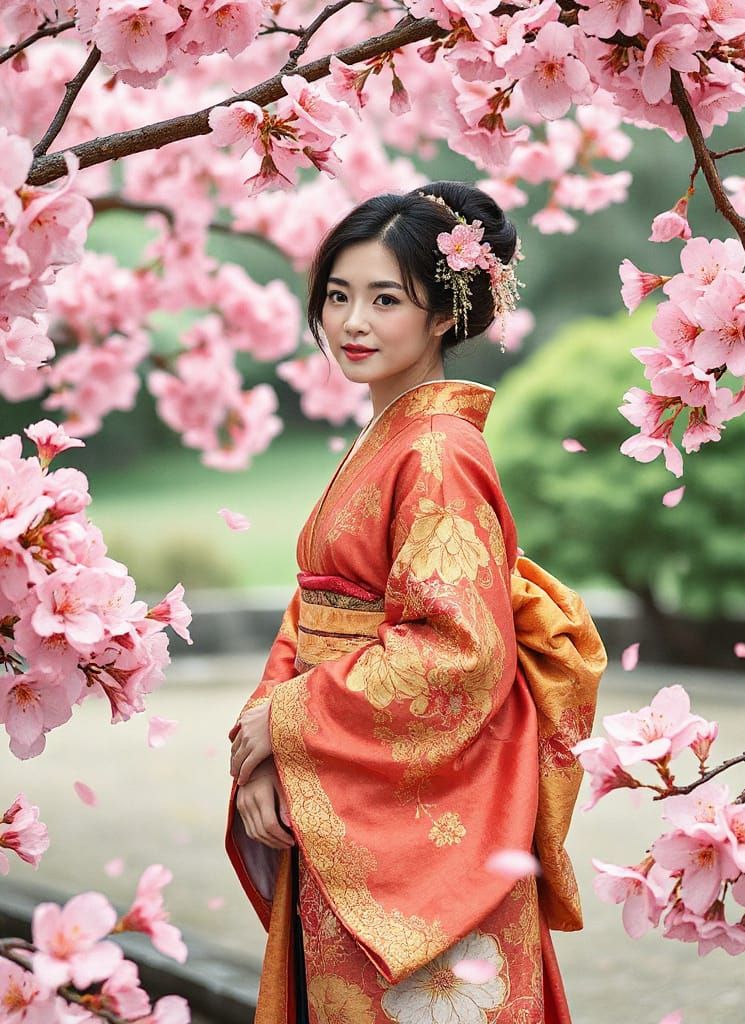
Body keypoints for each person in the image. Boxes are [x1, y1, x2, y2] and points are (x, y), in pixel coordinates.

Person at [225, 180, 607, 1024]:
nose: (351, 323)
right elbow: (313, 612)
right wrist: (266, 745)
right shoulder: (393, 437)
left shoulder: (437, 451)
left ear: (442, 315)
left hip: (401, 810)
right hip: (338, 775)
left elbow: (458, 649)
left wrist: (288, 721)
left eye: (385, 299)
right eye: (337, 296)